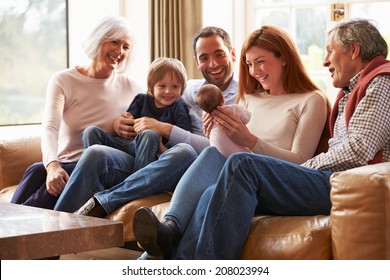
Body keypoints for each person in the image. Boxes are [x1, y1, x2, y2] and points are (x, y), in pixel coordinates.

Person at [133, 25, 331, 259]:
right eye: (249, 64)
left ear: (284, 58)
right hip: (239, 180)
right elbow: (229, 147)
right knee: (210, 174)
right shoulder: (250, 97)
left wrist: (250, 140)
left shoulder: (311, 100)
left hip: (276, 182)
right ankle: (168, 230)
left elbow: (301, 162)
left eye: (261, 61)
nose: (254, 71)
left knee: (229, 171)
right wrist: (215, 130)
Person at [52, 26, 239, 216]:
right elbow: (155, 90)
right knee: (94, 152)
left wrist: (163, 129)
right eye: (204, 58)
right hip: (140, 159)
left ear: (232, 54)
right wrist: (118, 123)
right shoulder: (189, 89)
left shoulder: (244, 96)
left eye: (219, 54)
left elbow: (217, 150)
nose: (213, 64)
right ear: (197, 62)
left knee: (183, 151)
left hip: (175, 162)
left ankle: (103, 200)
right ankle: (54, 228)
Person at [10, 16, 143, 210]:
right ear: (98, 39)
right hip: (67, 163)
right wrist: (52, 165)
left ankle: (14, 232)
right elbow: (50, 128)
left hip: (98, 168)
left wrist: (125, 126)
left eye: (126, 46)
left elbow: (150, 125)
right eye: (114, 41)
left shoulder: (133, 88)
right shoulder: (63, 80)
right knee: (36, 170)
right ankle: (8, 229)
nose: (120, 51)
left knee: (56, 183)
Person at [81, 57, 192, 176]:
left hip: (150, 152)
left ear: (182, 89)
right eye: (162, 86)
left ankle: (136, 182)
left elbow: (182, 137)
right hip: (128, 144)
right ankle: (93, 176)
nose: (168, 91)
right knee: (90, 131)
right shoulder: (141, 99)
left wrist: (163, 148)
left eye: (175, 86)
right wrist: (124, 120)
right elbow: (127, 123)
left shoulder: (178, 108)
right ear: (151, 86)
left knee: (149, 134)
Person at [196, 84, 252, 157]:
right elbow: (248, 117)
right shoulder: (232, 110)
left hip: (219, 155)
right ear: (223, 99)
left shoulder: (205, 117)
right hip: (240, 154)